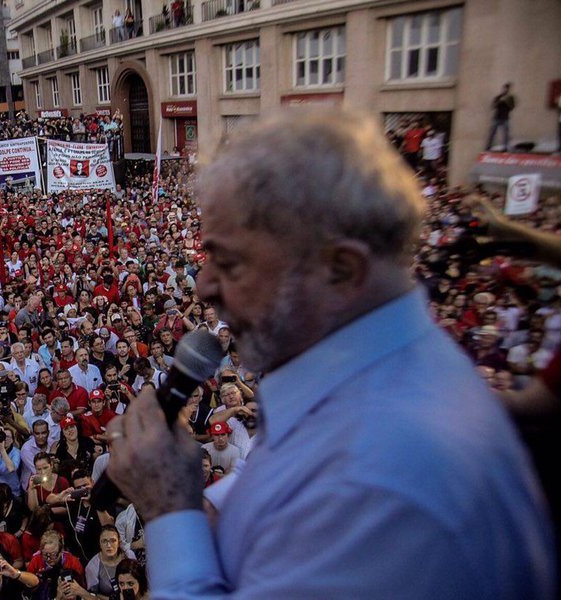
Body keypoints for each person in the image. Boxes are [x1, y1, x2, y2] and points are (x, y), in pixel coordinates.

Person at [104, 110, 554, 598]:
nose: (204, 284)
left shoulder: (380, 482)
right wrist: (224, 518)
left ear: (340, 269)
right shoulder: (358, 389)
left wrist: (172, 511)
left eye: (229, 262)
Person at [486, 82, 516, 151]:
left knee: (505, 134)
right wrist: (499, 101)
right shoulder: (498, 97)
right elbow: (493, 106)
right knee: (492, 133)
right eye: (505, 88)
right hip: (497, 117)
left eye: (507, 89)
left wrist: (506, 101)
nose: (506, 90)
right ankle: (488, 146)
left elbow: (512, 107)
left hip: (505, 117)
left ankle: (505, 147)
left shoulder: (510, 98)